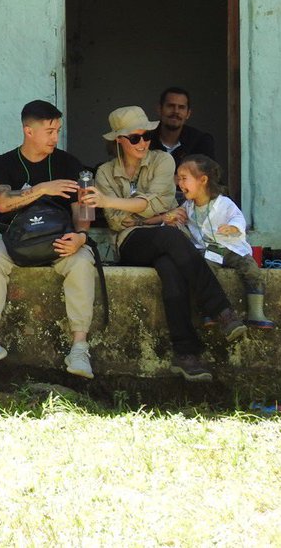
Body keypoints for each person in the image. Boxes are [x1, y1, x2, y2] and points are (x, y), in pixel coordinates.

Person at [83, 106, 246, 382]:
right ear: (118, 141)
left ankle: (186, 355)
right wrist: (153, 215)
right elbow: (116, 221)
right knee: (170, 237)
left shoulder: (164, 162)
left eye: (146, 136)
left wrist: (119, 204)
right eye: (135, 138)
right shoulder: (104, 174)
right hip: (134, 242)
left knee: (171, 269)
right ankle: (220, 309)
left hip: (170, 239)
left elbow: (157, 202)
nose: (143, 143)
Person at [0, 100, 98, 378]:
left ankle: (79, 348)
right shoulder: (3, 163)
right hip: (17, 243)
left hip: (60, 242)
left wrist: (80, 237)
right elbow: (2, 203)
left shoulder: (68, 162)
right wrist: (42, 188)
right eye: (50, 131)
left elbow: (83, 209)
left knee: (81, 264)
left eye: (58, 130)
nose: (56, 137)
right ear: (29, 131)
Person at [170, 154, 273, 328]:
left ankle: (256, 312)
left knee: (251, 269)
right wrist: (174, 220)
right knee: (204, 271)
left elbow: (237, 218)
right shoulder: (188, 207)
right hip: (210, 251)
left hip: (230, 247)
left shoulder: (224, 203)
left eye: (184, 178)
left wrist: (233, 227)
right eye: (178, 179)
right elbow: (179, 223)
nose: (180, 184)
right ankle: (209, 312)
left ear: (202, 180)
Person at [148, 87, 216, 166]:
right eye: (170, 106)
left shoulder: (201, 141)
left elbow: (210, 175)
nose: (176, 111)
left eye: (181, 107)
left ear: (188, 114)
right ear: (159, 109)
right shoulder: (145, 139)